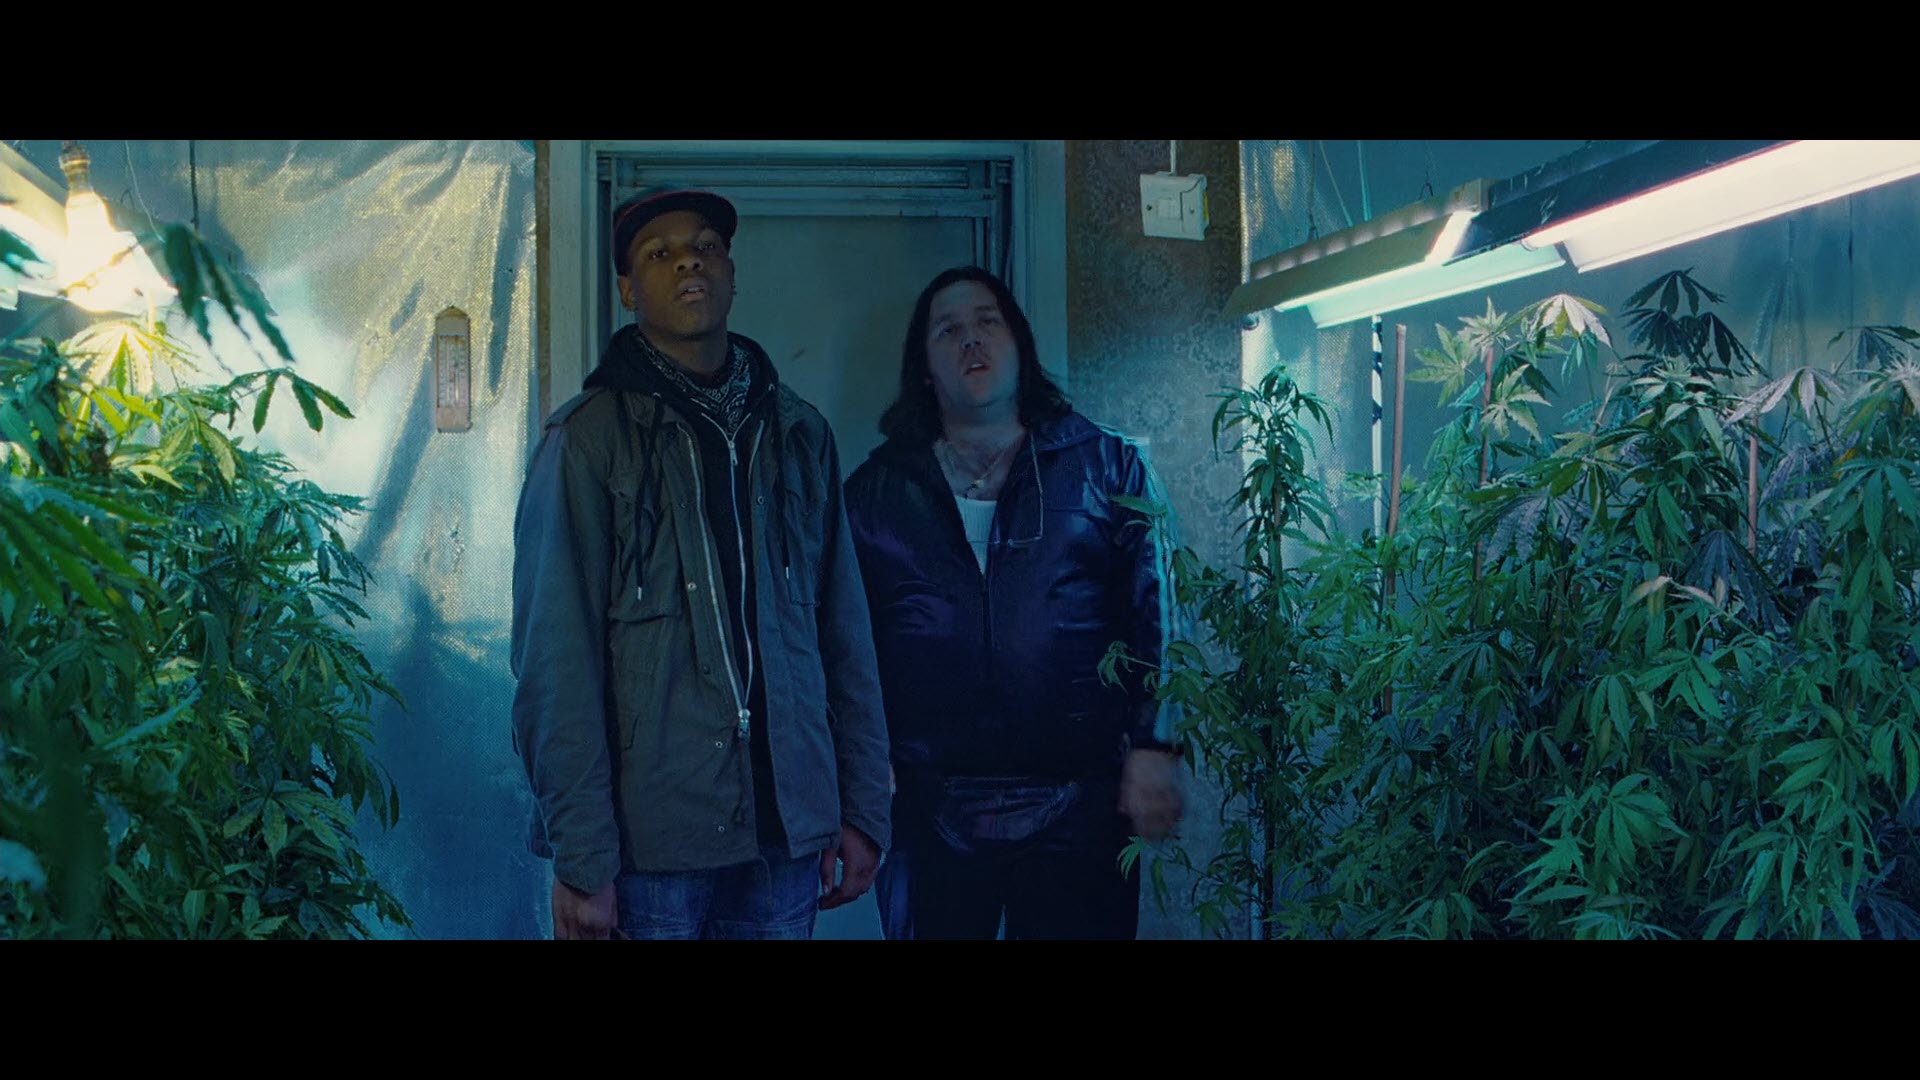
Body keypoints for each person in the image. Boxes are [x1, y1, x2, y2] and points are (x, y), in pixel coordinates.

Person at [510, 187, 890, 940]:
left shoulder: (799, 433)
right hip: (652, 848)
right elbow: (555, 660)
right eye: (660, 253)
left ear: (732, 274)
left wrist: (863, 807)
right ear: (627, 290)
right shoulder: (586, 439)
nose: (689, 260)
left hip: (787, 834)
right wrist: (582, 856)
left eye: (706, 246)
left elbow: (845, 634)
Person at [846, 265, 1182, 940]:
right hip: (928, 799)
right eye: (948, 330)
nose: (971, 340)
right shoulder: (875, 492)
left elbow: (1157, 613)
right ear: (924, 367)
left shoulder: (1108, 466)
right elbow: (846, 642)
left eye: (987, 322)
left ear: (1020, 345)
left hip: (1080, 792)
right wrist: (859, 765)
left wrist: (1156, 745)